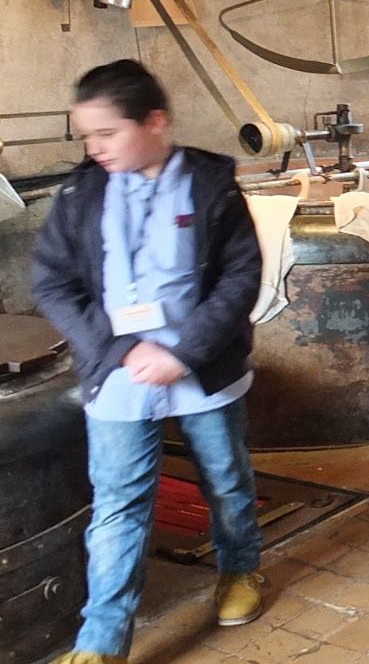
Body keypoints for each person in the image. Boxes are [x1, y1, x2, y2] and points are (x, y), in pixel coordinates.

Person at [32, 59, 267, 664]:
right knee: (119, 501)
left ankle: (240, 571)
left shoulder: (211, 185)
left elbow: (242, 277)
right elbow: (53, 284)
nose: (96, 148)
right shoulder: (82, 194)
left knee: (225, 478)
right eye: (86, 135)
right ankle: (102, 641)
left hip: (204, 366)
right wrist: (118, 349)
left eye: (107, 133)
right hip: (119, 372)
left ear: (155, 121)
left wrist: (185, 353)